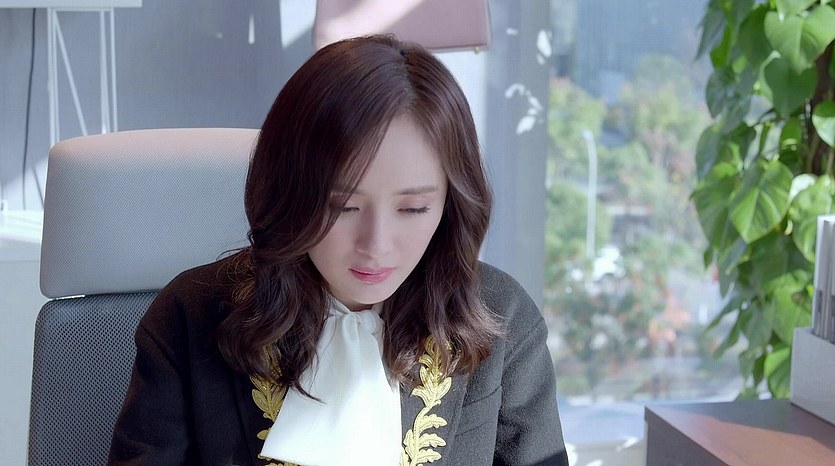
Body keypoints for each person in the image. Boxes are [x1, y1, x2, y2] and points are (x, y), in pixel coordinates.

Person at [108, 34, 568, 466]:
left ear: (451, 203)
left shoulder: (500, 316)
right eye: (343, 207)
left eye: (412, 209)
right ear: (289, 193)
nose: (376, 246)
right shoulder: (190, 315)